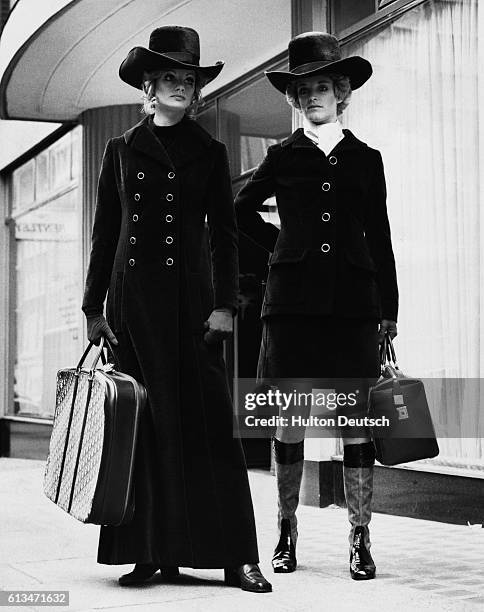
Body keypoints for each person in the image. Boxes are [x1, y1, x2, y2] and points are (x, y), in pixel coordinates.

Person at [82, 25, 271, 593]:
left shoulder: (210, 152)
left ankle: (238, 555)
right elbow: (105, 234)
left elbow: (226, 238)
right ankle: (149, 553)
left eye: (188, 79)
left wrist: (224, 306)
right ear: (149, 85)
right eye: (170, 77)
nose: (181, 86)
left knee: (212, 427)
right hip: (133, 307)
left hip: (193, 309)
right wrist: (94, 309)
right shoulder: (119, 151)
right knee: (143, 432)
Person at [235, 32, 398, 580]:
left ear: (342, 91)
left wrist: (389, 312)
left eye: (323, 87)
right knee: (289, 421)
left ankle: (360, 537)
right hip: (292, 310)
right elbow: (239, 212)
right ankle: (285, 532)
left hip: (354, 306)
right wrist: (281, 251)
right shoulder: (282, 156)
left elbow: (381, 236)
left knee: (355, 420)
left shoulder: (365, 159)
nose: (312, 97)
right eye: (302, 90)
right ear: (294, 97)